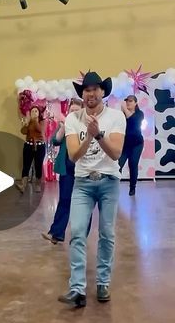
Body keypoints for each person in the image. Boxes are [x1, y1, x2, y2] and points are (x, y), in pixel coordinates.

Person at [58, 71, 126, 308]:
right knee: (76, 231)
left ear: (103, 92)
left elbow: (116, 153)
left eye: (95, 89)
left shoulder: (116, 117)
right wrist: (90, 136)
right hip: (83, 183)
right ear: (82, 94)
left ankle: (103, 282)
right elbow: (74, 156)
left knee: (107, 234)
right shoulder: (73, 119)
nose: (91, 93)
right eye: (87, 90)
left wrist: (99, 135)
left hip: (109, 182)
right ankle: (77, 289)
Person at [42, 98, 83, 244]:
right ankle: (56, 233)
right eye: (72, 111)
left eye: (77, 111)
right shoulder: (65, 126)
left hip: (83, 170)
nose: (74, 113)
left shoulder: (85, 126)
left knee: (82, 204)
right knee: (65, 200)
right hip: (67, 169)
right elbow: (55, 141)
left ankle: (79, 237)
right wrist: (63, 128)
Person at [16, 105, 46, 193]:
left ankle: (38, 184)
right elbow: (23, 131)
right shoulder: (29, 121)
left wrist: (33, 120)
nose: (34, 113)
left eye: (36, 111)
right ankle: (23, 185)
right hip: (28, 145)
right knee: (26, 165)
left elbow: (40, 130)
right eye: (32, 111)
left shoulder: (42, 121)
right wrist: (26, 123)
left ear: (39, 113)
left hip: (39, 146)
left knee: (38, 165)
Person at [119, 95, 144, 196]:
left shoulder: (139, 114)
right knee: (118, 165)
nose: (128, 103)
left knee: (133, 164)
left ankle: (132, 188)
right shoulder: (122, 115)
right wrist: (122, 111)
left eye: (130, 101)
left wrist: (124, 108)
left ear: (135, 103)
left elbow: (132, 119)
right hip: (125, 145)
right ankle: (113, 187)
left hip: (137, 144)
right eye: (127, 101)